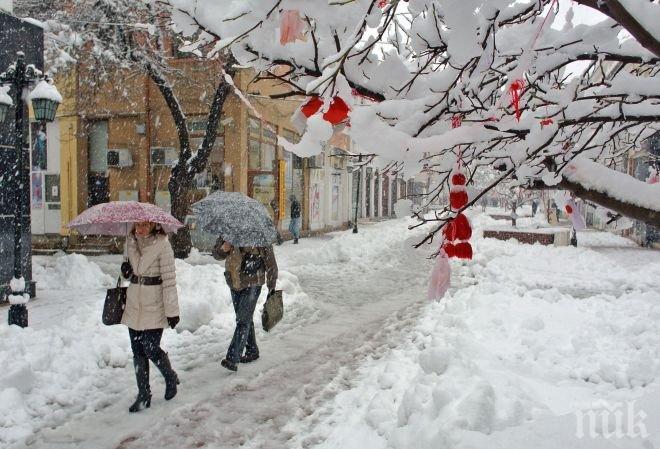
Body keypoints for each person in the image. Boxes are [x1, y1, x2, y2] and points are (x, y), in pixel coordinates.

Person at [120, 221, 180, 413]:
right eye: (137, 224)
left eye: (145, 225)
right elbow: (126, 272)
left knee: (150, 347)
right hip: (134, 303)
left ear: (155, 225)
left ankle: (169, 376)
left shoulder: (163, 244)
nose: (140, 228)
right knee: (137, 350)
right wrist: (125, 270)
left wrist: (172, 311)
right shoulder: (130, 242)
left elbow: (169, 281)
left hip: (155, 303)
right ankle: (143, 394)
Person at [213, 238, 278, 372]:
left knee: (243, 320)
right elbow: (216, 254)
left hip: (253, 282)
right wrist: (223, 249)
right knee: (244, 318)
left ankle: (233, 358)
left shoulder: (259, 235)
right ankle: (252, 349)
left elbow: (271, 263)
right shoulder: (228, 232)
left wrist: (272, 288)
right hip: (234, 281)